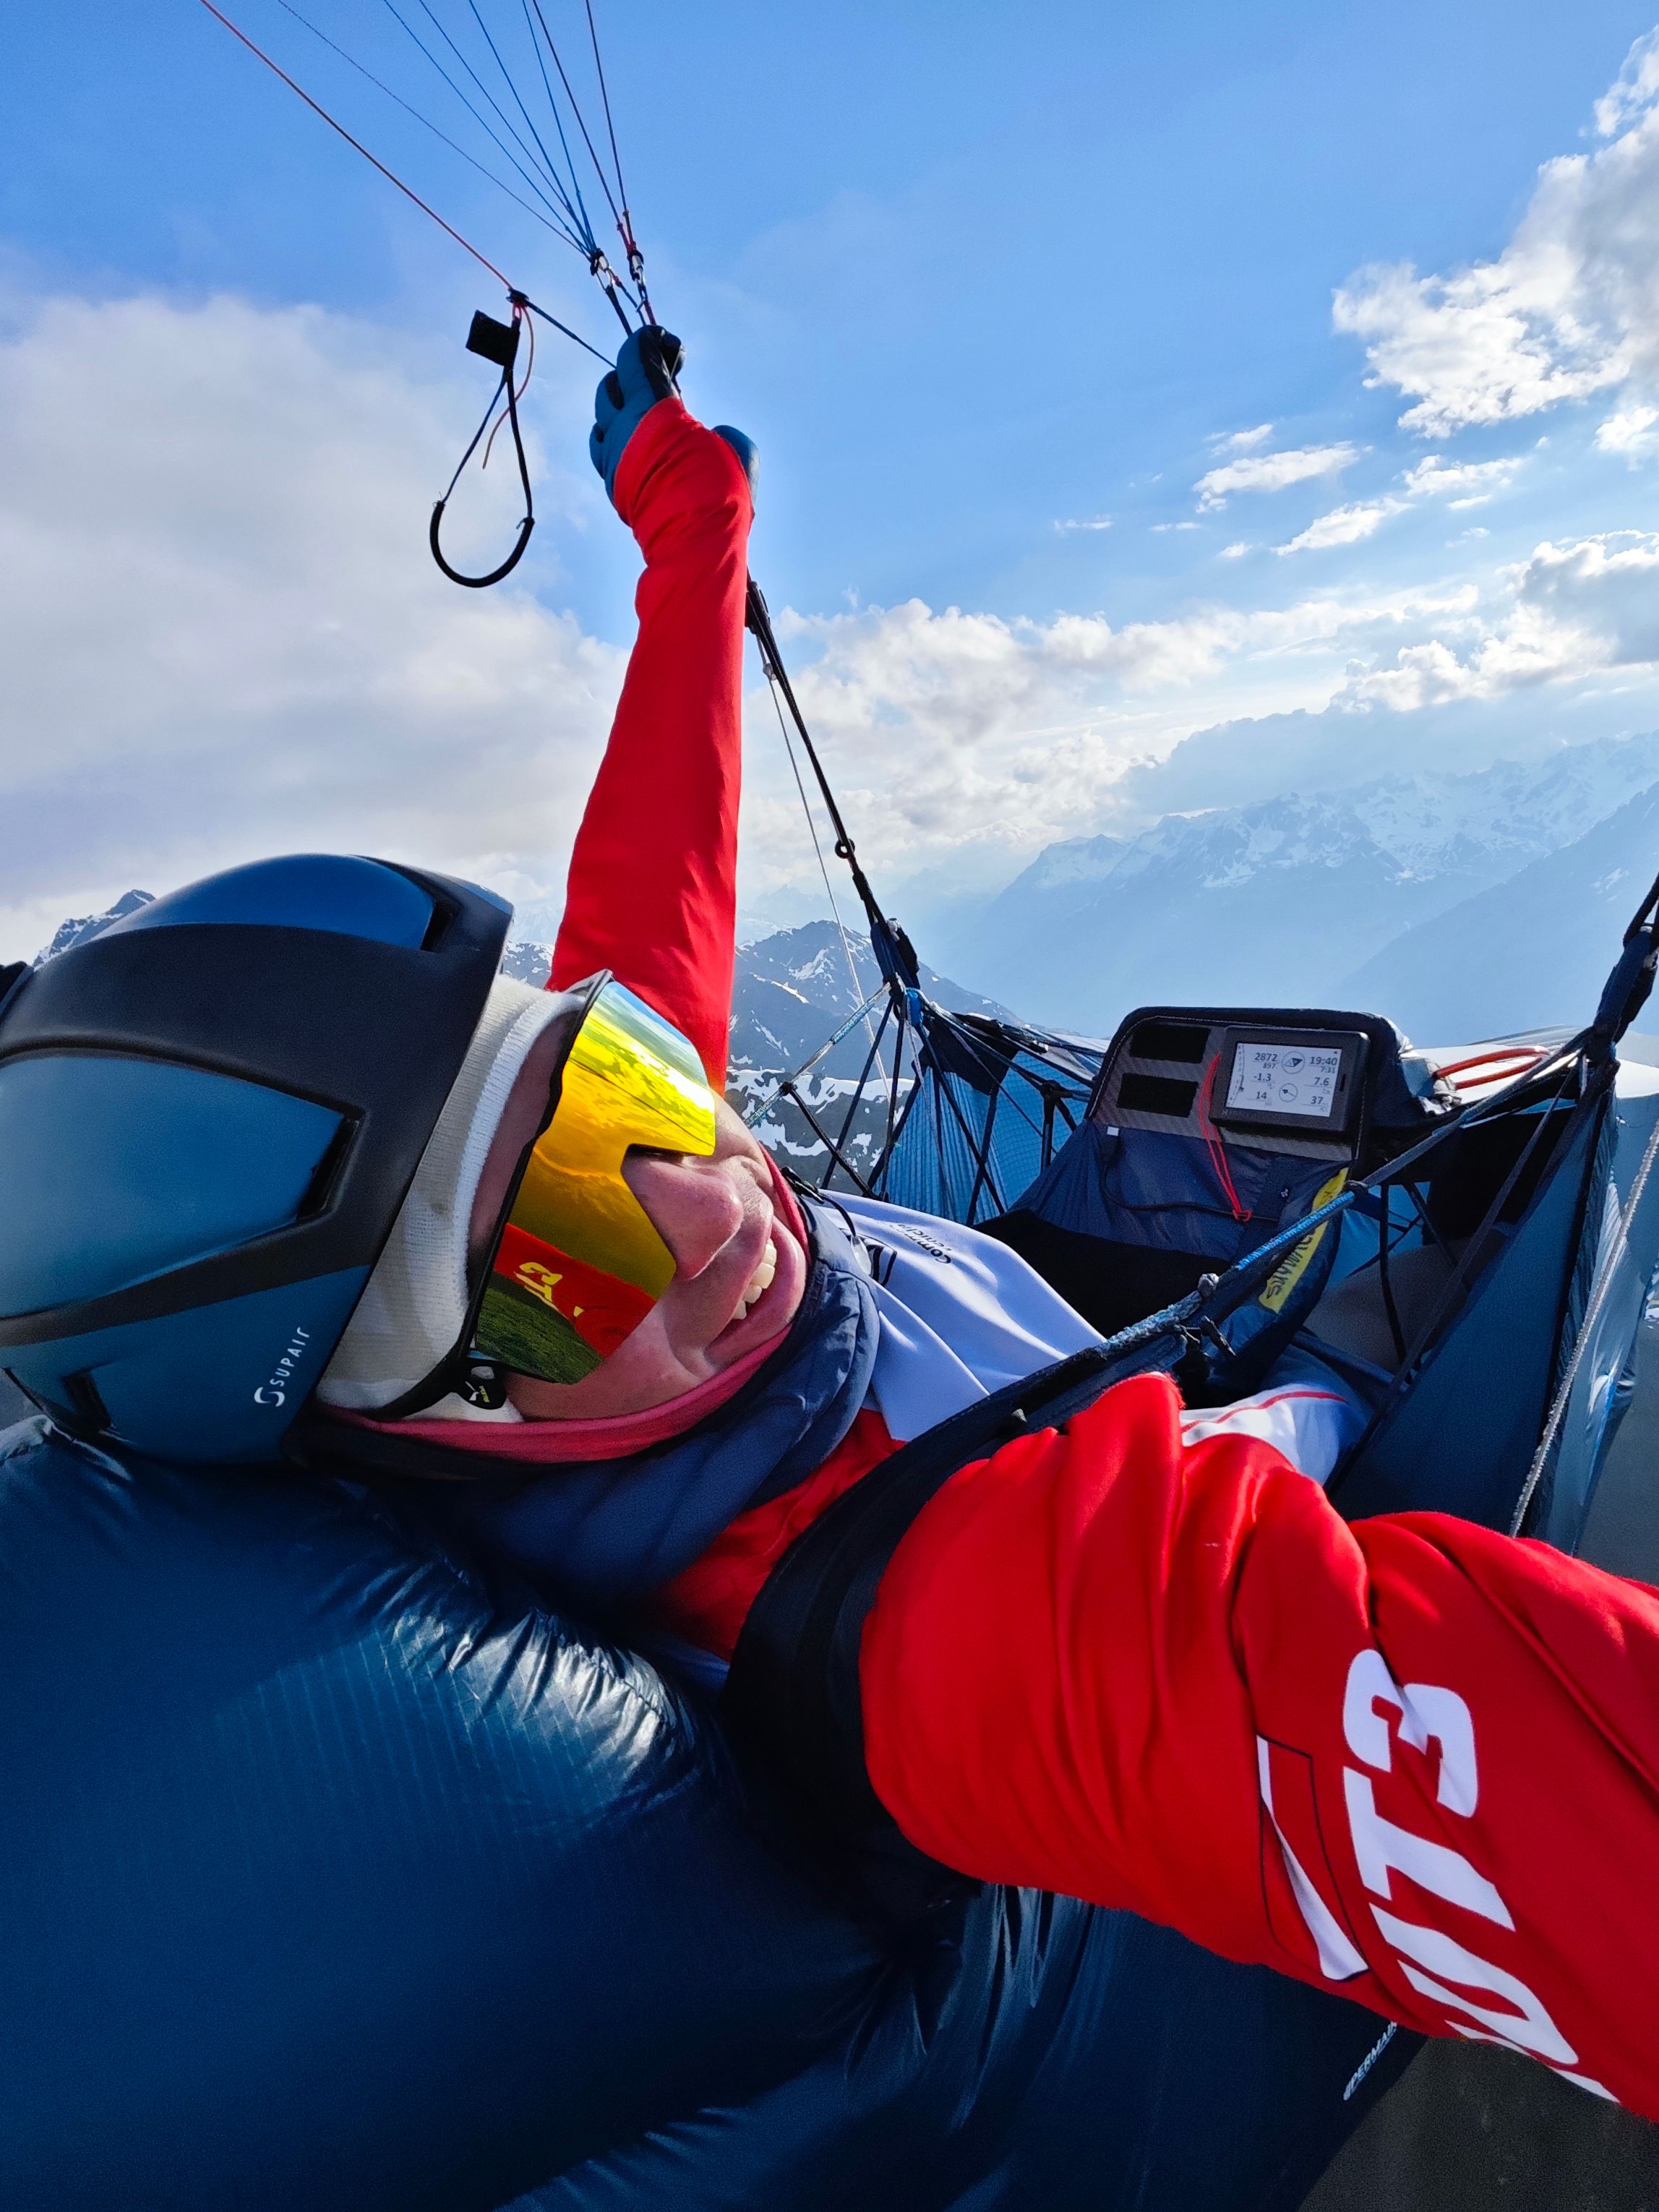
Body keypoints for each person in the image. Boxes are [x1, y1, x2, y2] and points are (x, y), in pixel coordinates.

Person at [1, 325, 1653, 2159]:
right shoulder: (943, 1628)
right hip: (1236, 1453)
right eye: (557, 1258)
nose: (709, 1205)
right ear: (413, 1436)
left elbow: (661, 872)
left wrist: (685, 513)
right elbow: (1512, 1777)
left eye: (615, 1092)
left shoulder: (619, 1252)